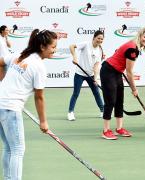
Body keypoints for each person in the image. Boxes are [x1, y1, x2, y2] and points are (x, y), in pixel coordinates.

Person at [0, 29, 57, 180]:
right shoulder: (38, 66)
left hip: (1, 104)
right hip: (10, 109)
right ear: (42, 47)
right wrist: (43, 122)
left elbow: (0, 62)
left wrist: (3, 81)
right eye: (52, 47)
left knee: (9, 148)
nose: (54, 50)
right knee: (18, 150)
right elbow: (39, 97)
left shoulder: (20, 55)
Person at [100, 28, 145, 140]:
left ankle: (119, 129)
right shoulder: (132, 49)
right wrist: (134, 89)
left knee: (119, 101)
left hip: (117, 72)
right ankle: (105, 131)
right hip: (108, 71)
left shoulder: (134, 47)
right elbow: (129, 72)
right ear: (140, 36)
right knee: (110, 101)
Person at [67, 30, 105, 121]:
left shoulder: (100, 50)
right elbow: (71, 46)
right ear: (94, 37)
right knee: (76, 93)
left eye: (102, 39)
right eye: (98, 38)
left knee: (96, 92)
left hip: (90, 75)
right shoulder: (86, 44)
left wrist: (95, 78)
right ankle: (70, 112)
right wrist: (75, 57)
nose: (100, 40)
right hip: (79, 73)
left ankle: (103, 111)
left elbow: (96, 65)